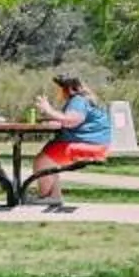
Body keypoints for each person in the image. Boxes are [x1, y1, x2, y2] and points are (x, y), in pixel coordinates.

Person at [27, 73, 112, 211]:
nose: (58, 93)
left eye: (60, 88)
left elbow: (72, 121)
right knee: (48, 157)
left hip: (88, 145)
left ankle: (45, 196)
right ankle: (53, 196)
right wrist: (53, 118)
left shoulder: (78, 100)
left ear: (68, 89)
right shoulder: (83, 100)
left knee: (42, 161)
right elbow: (71, 121)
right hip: (95, 144)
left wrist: (49, 110)